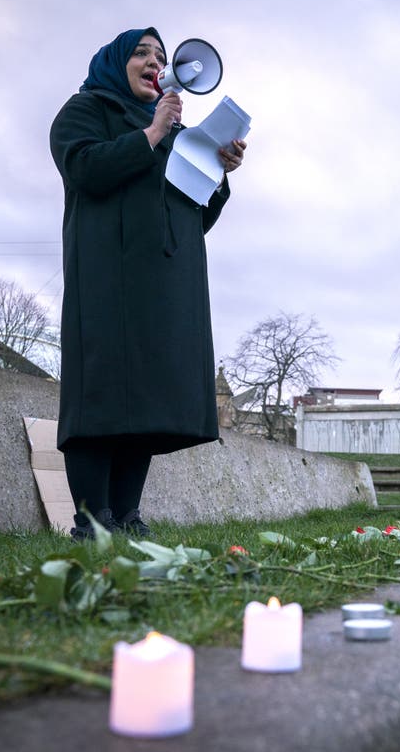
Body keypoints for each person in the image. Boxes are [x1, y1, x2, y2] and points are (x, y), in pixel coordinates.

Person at [49, 27, 248, 540]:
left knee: (145, 403)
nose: (154, 61)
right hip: (107, 281)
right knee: (104, 396)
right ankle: (92, 520)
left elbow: (192, 214)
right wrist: (153, 133)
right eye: (142, 52)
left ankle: (127, 515)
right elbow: (85, 168)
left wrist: (219, 172)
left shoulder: (175, 134)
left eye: (160, 55)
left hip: (161, 287)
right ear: (116, 62)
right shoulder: (86, 109)